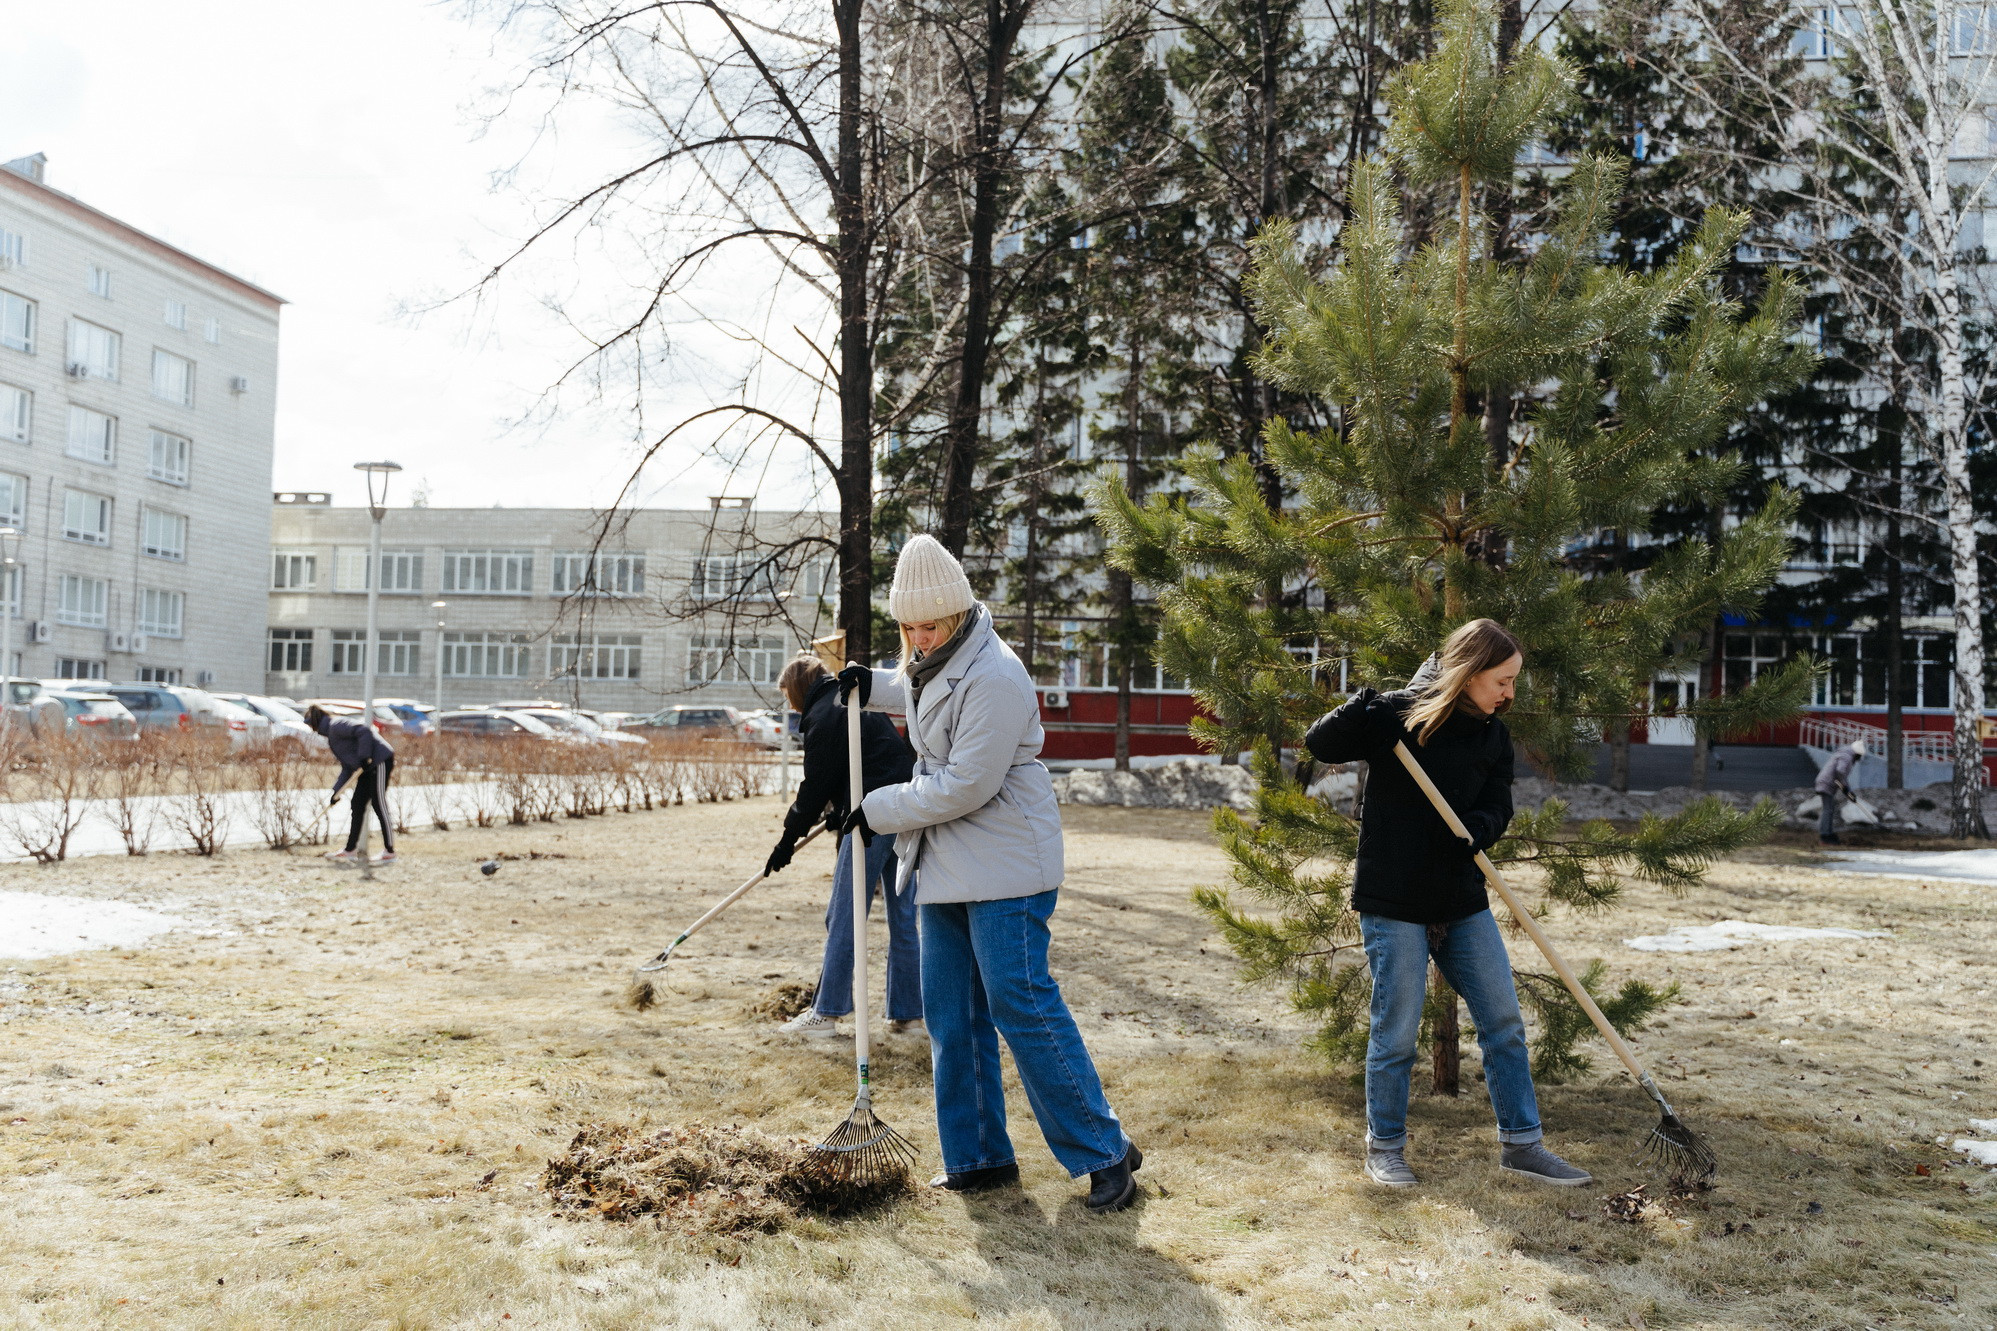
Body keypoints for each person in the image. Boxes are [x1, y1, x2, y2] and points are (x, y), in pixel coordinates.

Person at [837, 534, 1143, 1213]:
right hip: (947, 862)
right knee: (951, 1011)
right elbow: (928, 688)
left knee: (1021, 1004)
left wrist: (876, 810)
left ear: (958, 612)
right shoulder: (939, 657)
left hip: (1006, 860)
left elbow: (964, 783)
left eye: (929, 625)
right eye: (908, 627)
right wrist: (873, 684)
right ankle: (977, 1157)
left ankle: (1105, 1150)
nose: (917, 638)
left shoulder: (998, 674)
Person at [1304, 618, 1592, 1190]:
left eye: (1514, 682)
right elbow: (1320, 745)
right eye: (1502, 681)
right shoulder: (1399, 717)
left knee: (1504, 1022)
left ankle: (1523, 1145)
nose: (1510, 694)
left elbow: (1498, 802)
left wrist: (1480, 827)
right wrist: (1364, 707)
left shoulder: (1492, 736)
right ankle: (1384, 1148)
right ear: (1468, 672)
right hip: (1393, 898)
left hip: (1461, 900)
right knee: (1397, 1031)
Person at [763, 653, 923, 1039]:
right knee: (903, 918)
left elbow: (815, 785)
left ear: (799, 688)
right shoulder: (852, 699)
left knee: (845, 914)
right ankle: (909, 1015)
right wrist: (838, 811)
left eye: (788, 694)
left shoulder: (823, 714)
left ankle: (827, 1012)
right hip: (903, 811)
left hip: (869, 819)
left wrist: (788, 839)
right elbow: (869, 760)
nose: (789, 704)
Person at [304, 704, 396, 864]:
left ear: (316, 723)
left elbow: (364, 731)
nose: (312, 730)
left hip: (379, 761)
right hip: (366, 767)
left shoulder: (337, 725)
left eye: (311, 726)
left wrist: (365, 756)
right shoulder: (333, 738)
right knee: (357, 805)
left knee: (378, 803)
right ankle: (350, 850)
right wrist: (336, 792)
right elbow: (347, 767)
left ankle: (390, 851)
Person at [1814, 739, 1867, 845]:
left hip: (1827, 783)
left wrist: (1848, 791)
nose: (1857, 759)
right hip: (1826, 784)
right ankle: (1825, 836)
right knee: (1828, 810)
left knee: (1829, 809)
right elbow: (1840, 771)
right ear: (1856, 754)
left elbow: (1840, 775)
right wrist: (1846, 788)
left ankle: (1828, 833)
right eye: (1858, 757)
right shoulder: (1846, 757)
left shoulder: (1844, 754)